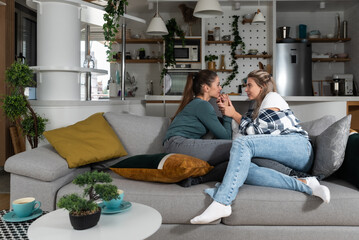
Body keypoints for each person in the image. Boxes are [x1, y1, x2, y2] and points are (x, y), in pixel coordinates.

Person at [190, 69, 330, 224]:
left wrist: (234, 114)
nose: (246, 89)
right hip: (282, 154)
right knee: (244, 169)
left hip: (299, 148)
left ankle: (222, 201)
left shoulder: (272, 98)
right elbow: (240, 139)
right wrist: (228, 114)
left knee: (242, 148)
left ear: (262, 86)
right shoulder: (254, 107)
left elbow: (254, 131)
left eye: (249, 85)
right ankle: (306, 184)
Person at [163, 70, 308, 188]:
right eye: (218, 84)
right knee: (240, 148)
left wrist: (226, 112)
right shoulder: (203, 105)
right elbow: (225, 138)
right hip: (177, 145)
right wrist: (227, 114)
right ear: (206, 88)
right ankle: (291, 174)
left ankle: (198, 180)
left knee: (233, 160)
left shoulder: (200, 105)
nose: (221, 88)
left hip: (176, 144)